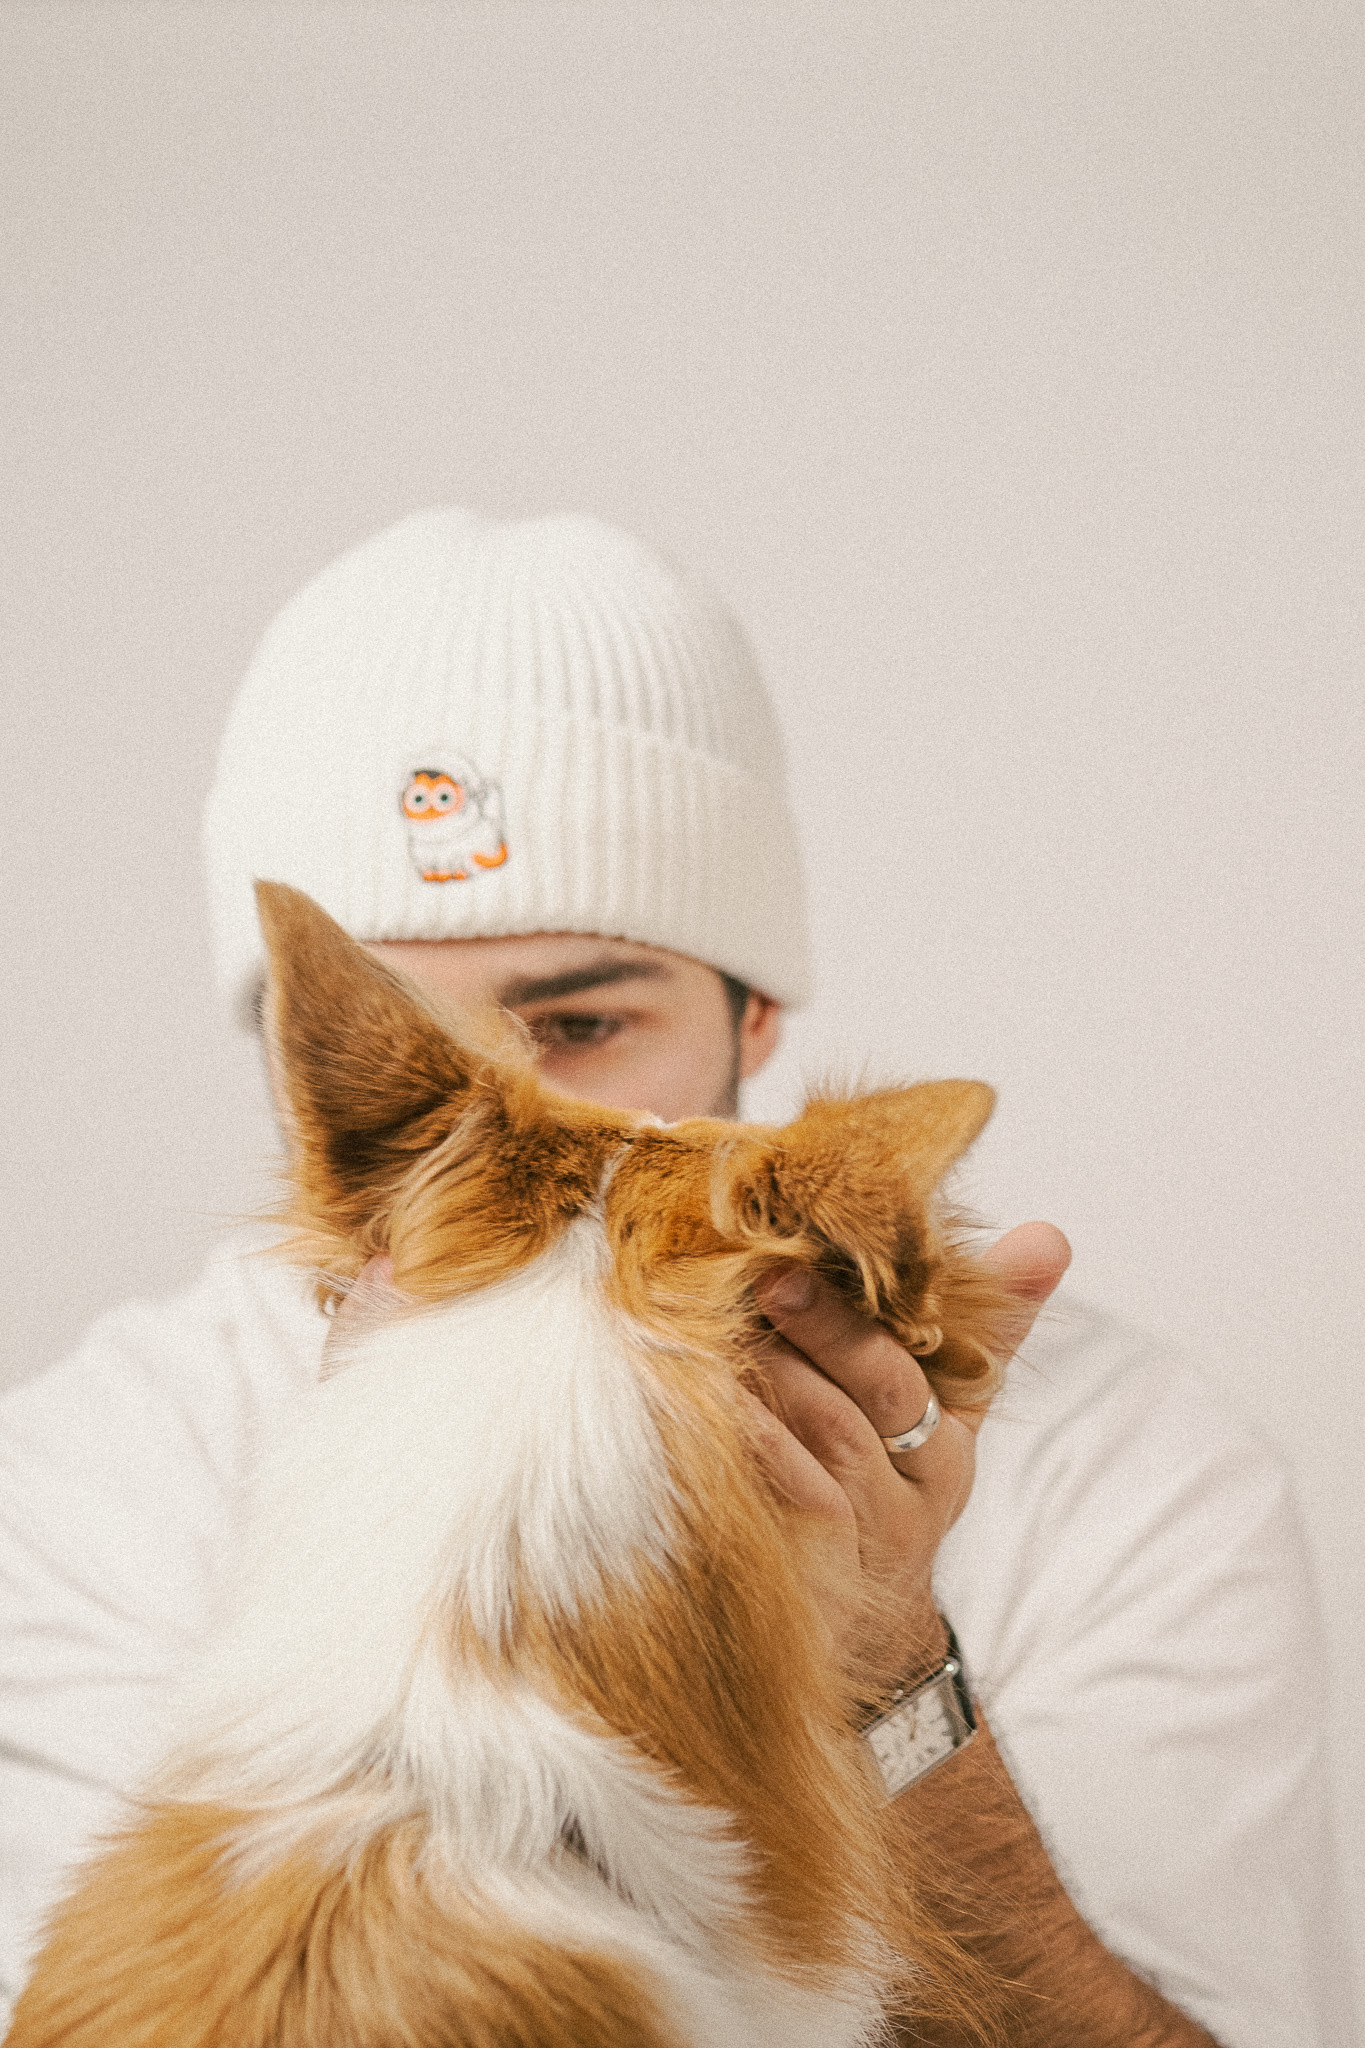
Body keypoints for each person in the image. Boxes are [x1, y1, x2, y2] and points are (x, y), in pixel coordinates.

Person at [0, 510, 1351, 2046]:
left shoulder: (1131, 1466)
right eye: (421, 1056)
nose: (517, 1113)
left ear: (754, 1008)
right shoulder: (85, 1474)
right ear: (317, 1069)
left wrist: (889, 1687)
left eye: (579, 1026)